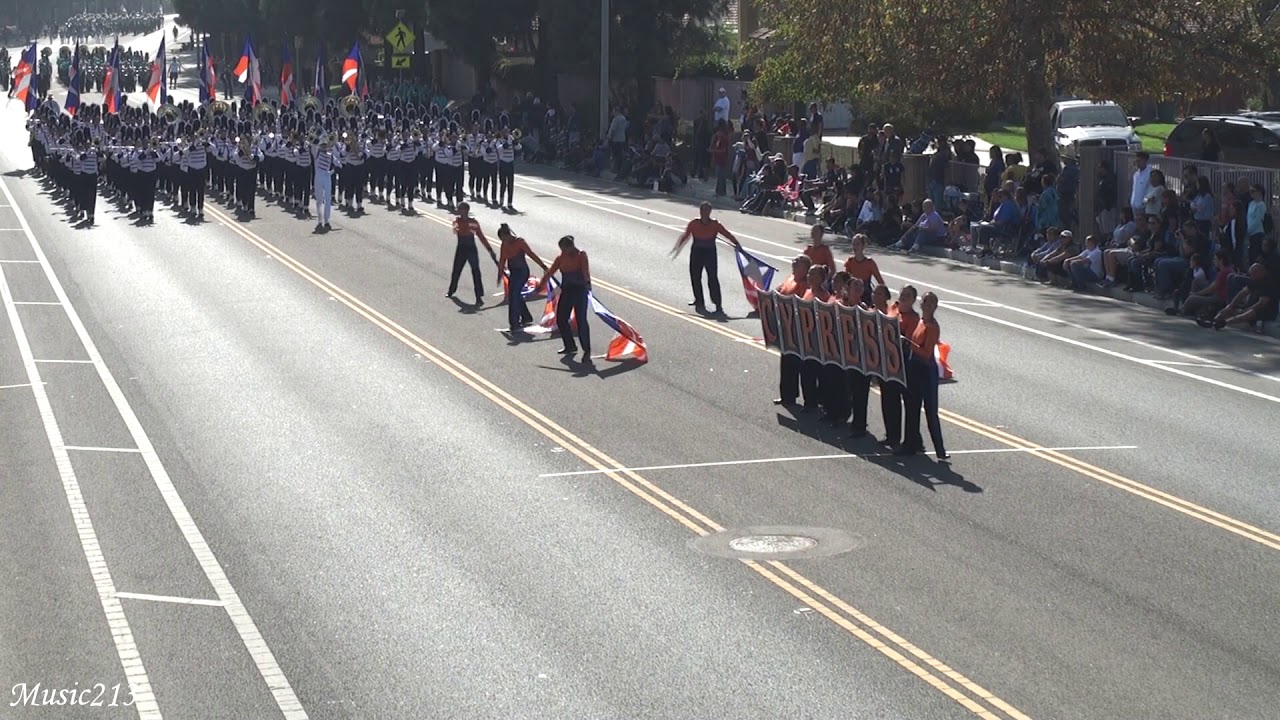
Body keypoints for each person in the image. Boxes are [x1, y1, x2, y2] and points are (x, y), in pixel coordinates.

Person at [899, 291, 948, 460]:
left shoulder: (932, 326)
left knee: (930, 411)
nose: (927, 305)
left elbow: (927, 353)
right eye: (925, 301)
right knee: (912, 408)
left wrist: (909, 344)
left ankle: (940, 450)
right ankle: (910, 444)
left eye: (931, 303)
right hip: (915, 369)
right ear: (921, 303)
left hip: (927, 372)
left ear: (935, 307)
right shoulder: (921, 321)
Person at [671, 201, 741, 315]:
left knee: (712, 278)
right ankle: (699, 301)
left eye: (707, 211)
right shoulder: (694, 223)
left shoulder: (715, 224)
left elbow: (727, 234)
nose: (704, 213)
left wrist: (737, 244)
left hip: (710, 253)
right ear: (700, 211)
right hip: (697, 252)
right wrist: (677, 247)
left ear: (710, 212)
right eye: (703, 210)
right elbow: (686, 235)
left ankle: (718, 304)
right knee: (695, 277)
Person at [535, 235, 593, 360]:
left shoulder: (581, 255)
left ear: (570, 247)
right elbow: (550, 272)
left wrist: (588, 284)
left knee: (581, 321)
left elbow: (585, 271)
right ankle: (570, 345)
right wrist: (540, 285)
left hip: (580, 291)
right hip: (567, 291)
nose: (562, 251)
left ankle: (586, 350)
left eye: (564, 249)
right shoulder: (560, 258)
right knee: (561, 319)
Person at [772, 256, 813, 407]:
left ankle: (809, 401)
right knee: (786, 364)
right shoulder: (791, 278)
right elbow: (779, 291)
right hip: (786, 328)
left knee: (800, 366)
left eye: (798, 262)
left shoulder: (805, 284)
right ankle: (787, 396)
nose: (793, 263)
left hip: (799, 331)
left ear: (805, 267)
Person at [497, 224, 549, 333]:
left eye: (504, 238)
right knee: (515, 295)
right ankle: (526, 317)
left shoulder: (519, 242)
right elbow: (502, 259)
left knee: (514, 296)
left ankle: (514, 324)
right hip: (513, 273)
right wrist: (500, 274)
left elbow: (531, 254)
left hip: (522, 272)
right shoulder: (504, 244)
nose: (503, 241)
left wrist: (543, 266)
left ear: (507, 235)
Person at [447, 202, 498, 304]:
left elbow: (481, 236)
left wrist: (490, 250)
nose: (458, 210)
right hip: (461, 249)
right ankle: (451, 290)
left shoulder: (472, 222)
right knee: (456, 270)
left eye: (460, 209)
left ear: (466, 210)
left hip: (471, 249)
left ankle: (479, 297)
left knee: (476, 272)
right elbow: (457, 230)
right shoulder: (457, 221)